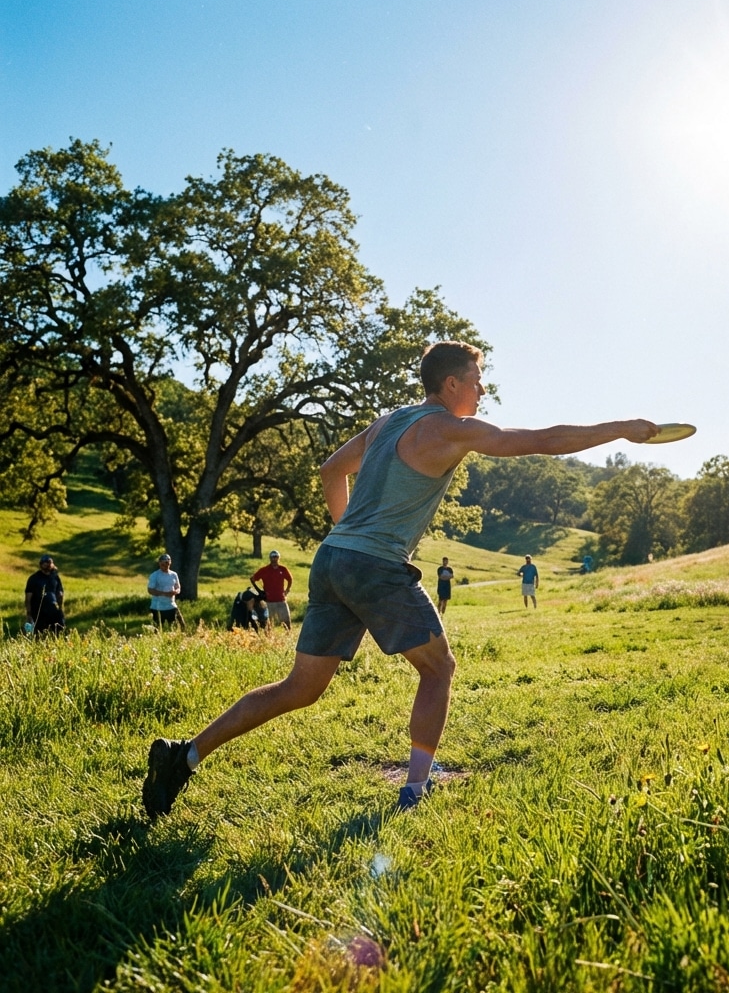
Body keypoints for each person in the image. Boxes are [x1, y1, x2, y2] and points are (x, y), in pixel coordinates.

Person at [142, 340, 657, 819]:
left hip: (332, 560)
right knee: (439, 669)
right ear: (451, 385)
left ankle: (182, 756)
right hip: (375, 566)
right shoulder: (450, 429)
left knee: (299, 688)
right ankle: (415, 790)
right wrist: (620, 429)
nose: (482, 390)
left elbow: (329, 470)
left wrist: (346, 531)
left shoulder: (388, 422)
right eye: (476, 380)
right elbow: (544, 441)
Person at [249, 551, 293, 630]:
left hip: (281, 600)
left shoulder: (283, 569)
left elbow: (290, 579)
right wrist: (259, 591)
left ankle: (288, 637)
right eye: (273, 557)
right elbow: (253, 579)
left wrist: (287, 590)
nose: (274, 559)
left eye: (276, 557)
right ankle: (268, 639)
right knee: (268, 624)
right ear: (270, 558)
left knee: (287, 622)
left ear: (279, 558)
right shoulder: (264, 570)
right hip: (269, 602)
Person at [25, 554, 65, 636]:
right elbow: (28, 598)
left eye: (50, 562)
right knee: (40, 634)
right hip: (39, 611)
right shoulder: (34, 578)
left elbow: (60, 594)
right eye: (45, 562)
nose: (48, 564)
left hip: (53, 610)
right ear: (41, 564)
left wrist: (60, 609)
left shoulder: (55, 577)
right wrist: (29, 614)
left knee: (60, 631)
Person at [147, 554, 185, 630]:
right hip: (157, 607)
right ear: (159, 564)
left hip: (171, 605)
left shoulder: (174, 574)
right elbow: (150, 590)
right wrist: (165, 594)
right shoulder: (155, 575)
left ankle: (177, 638)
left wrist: (175, 592)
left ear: (170, 563)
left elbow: (178, 587)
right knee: (157, 629)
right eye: (163, 564)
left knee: (181, 626)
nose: (165, 566)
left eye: (167, 563)